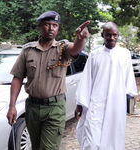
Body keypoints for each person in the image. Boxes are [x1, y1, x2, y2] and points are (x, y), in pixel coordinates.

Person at [6, 11, 90, 150]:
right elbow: (18, 77)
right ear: (40, 26)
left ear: (58, 28)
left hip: (54, 109)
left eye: (55, 25)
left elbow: (75, 50)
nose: (51, 28)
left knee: (48, 148)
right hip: (32, 107)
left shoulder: (62, 48)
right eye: (47, 24)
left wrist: (80, 39)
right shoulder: (28, 50)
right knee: (36, 146)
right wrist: (12, 106)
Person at [74, 22, 137, 150]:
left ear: (118, 35)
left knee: (113, 139)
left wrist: (131, 101)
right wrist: (80, 103)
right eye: (108, 35)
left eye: (115, 35)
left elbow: (128, 80)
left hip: (116, 104)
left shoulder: (124, 54)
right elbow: (87, 80)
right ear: (103, 35)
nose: (112, 38)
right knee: (92, 141)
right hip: (96, 104)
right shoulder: (94, 55)